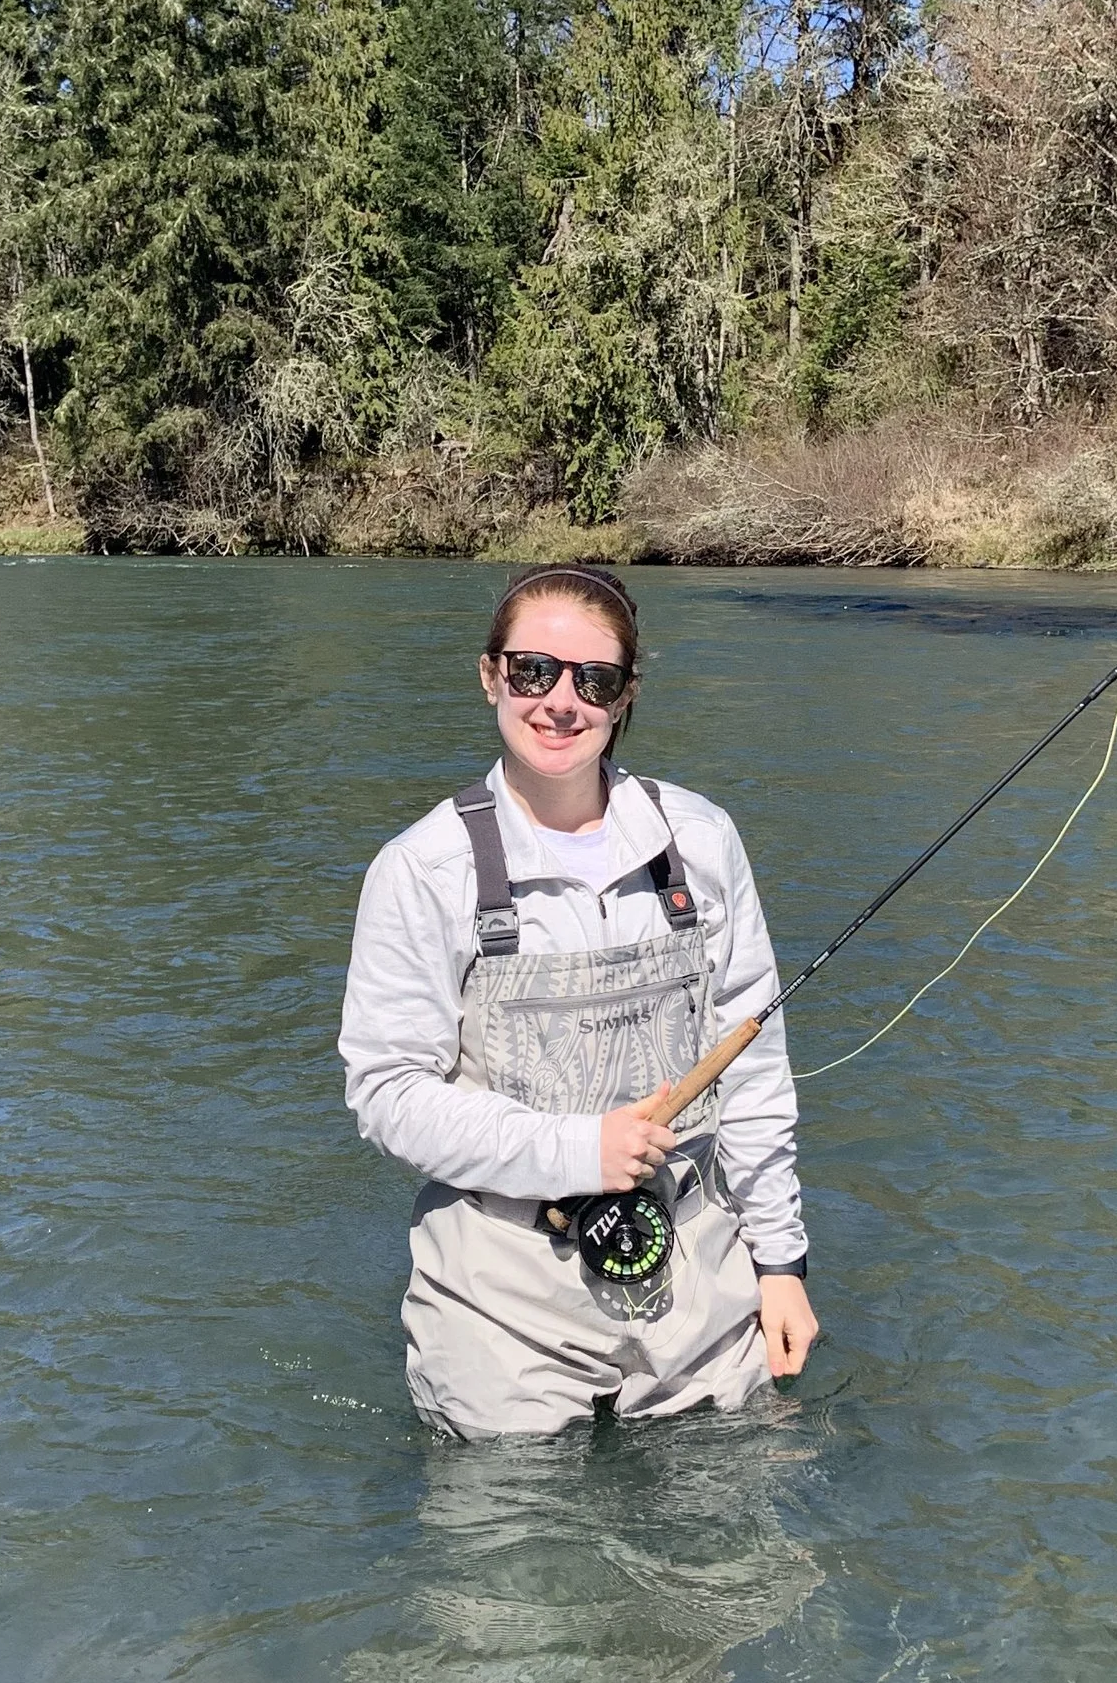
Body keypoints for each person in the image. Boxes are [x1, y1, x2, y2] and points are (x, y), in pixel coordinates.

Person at [342, 563, 819, 1439]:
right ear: (490, 674)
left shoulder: (702, 840)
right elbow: (387, 1097)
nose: (560, 701)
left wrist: (782, 1261)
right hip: (501, 1308)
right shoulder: (420, 869)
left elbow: (754, 1070)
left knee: (743, 1575)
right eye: (533, 670)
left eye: (592, 680)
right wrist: (576, 1150)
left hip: (702, 1286)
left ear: (625, 695)